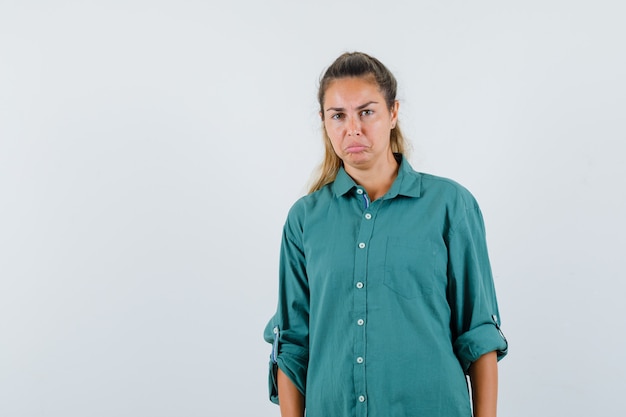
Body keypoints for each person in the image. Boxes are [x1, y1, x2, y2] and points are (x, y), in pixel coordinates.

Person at [264, 51, 508, 417]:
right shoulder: (304, 219)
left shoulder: (450, 206)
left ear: (393, 113)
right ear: (324, 122)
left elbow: (478, 333)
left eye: (367, 112)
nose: (353, 129)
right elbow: (293, 344)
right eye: (338, 115)